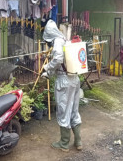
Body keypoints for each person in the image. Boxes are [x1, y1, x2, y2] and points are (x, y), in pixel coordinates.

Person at [41, 20, 82, 152]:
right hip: (74, 78)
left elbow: (58, 59)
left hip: (64, 81)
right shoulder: (65, 39)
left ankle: (64, 143)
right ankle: (78, 141)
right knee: (74, 110)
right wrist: (49, 72)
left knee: (64, 110)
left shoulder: (57, 41)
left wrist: (47, 67)